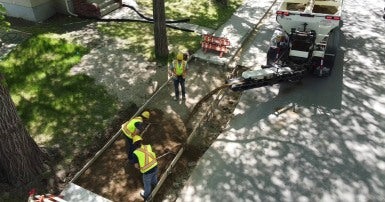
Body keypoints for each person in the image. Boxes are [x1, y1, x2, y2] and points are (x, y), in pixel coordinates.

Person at [132, 135, 158, 201]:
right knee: (154, 176)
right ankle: (155, 184)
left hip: (147, 172)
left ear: (134, 144)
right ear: (141, 141)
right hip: (155, 166)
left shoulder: (135, 153)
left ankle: (146, 195)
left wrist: (139, 168)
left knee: (147, 184)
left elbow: (136, 166)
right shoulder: (148, 146)